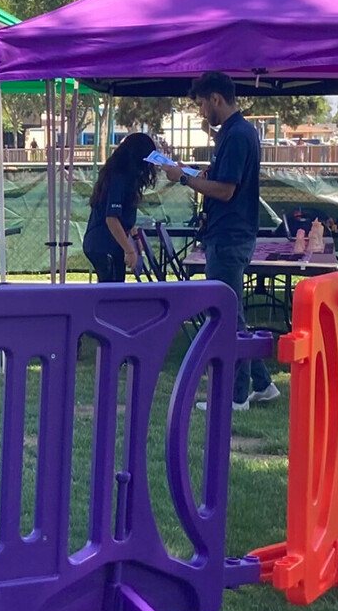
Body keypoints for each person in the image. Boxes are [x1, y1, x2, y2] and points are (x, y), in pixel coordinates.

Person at [158, 72, 276, 411]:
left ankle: (235, 395)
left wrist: (183, 179)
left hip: (228, 236)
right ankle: (263, 383)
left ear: (215, 99)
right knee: (234, 311)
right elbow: (219, 178)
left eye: (200, 105)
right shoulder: (235, 133)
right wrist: (193, 173)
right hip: (229, 234)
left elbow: (225, 190)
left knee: (226, 315)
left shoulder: (236, 135)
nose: (200, 113)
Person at [82, 132, 158, 283]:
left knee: (115, 287)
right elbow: (111, 218)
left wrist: (135, 237)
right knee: (111, 289)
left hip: (108, 243)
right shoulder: (118, 178)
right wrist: (129, 249)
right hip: (103, 243)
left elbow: (123, 217)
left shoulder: (123, 177)